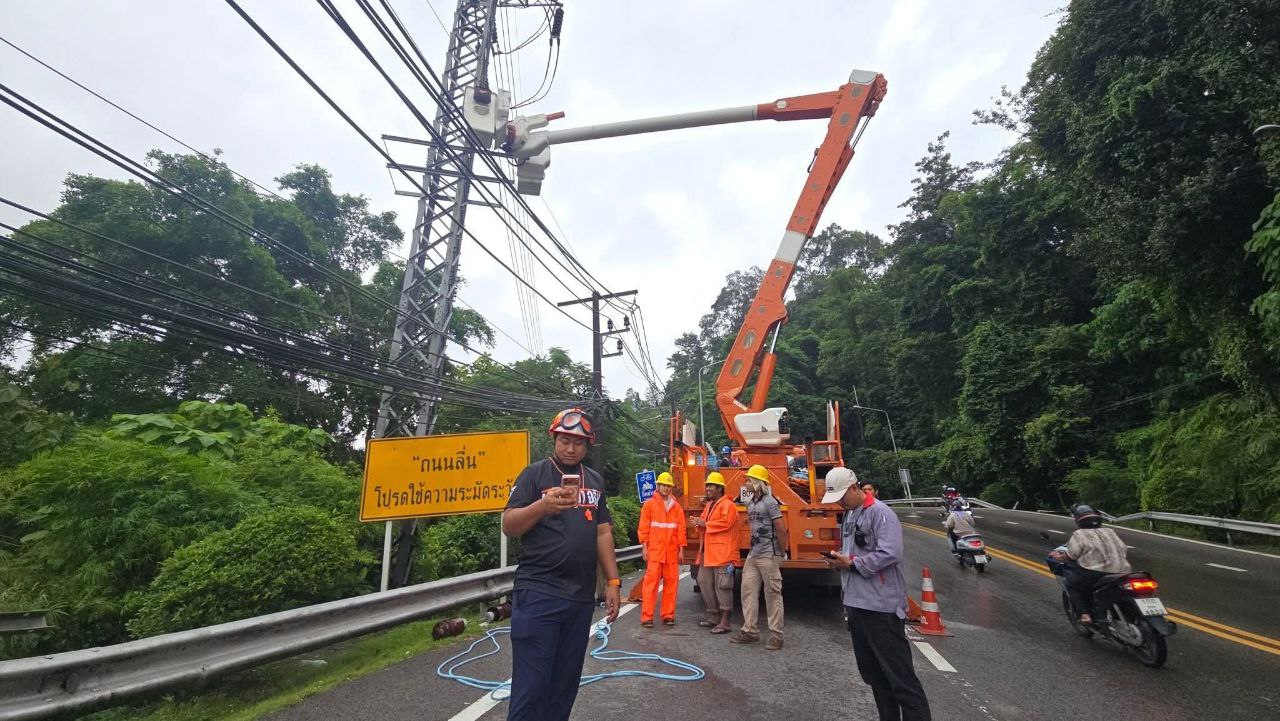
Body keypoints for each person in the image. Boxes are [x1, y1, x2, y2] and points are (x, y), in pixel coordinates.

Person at [501, 408, 621, 721]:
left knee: (564, 686)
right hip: (539, 594)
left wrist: (613, 582)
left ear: (587, 446)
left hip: (580, 599)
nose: (570, 448)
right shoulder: (534, 474)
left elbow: (603, 531)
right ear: (554, 438)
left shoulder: (593, 480)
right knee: (533, 687)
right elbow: (509, 525)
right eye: (565, 440)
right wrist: (542, 506)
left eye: (578, 443)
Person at [823, 467, 932, 721]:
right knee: (874, 676)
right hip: (856, 605)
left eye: (842, 496)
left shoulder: (881, 514)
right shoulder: (849, 515)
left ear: (854, 488)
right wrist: (839, 560)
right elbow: (851, 552)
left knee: (901, 678)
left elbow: (891, 553)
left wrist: (851, 563)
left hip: (881, 608)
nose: (839, 502)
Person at [731, 464, 788, 650]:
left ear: (757, 483)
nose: (746, 483)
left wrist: (781, 552)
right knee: (747, 591)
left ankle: (777, 636)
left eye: (749, 480)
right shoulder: (752, 502)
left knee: (772, 594)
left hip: (768, 555)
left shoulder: (771, 502)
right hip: (753, 555)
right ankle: (750, 631)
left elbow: (781, 528)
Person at [1050, 503, 1131, 624]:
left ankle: (1084, 615)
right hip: (1122, 572)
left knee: (1070, 584)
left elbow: (1072, 555)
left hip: (1095, 574)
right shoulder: (1110, 532)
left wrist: (1059, 557)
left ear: (1078, 520)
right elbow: (1123, 548)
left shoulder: (1079, 535)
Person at [689, 471, 738, 634]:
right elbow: (704, 522)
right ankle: (713, 615)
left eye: (711, 486)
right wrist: (697, 523)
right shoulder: (710, 505)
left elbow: (726, 523)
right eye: (707, 485)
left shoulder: (728, 505)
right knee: (703, 581)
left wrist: (704, 523)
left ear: (720, 488)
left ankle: (725, 621)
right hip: (708, 553)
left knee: (723, 586)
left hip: (723, 553)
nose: (708, 488)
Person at [638, 471, 687, 627]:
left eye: (668, 486)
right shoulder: (649, 505)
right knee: (650, 585)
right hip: (655, 552)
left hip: (671, 553)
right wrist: (644, 547)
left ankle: (668, 615)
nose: (666, 488)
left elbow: (681, 529)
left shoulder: (677, 507)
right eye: (663, 485)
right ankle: (647, 617)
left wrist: (681, 550)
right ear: (658, 486)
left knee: (671, 584)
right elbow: (643, 528)